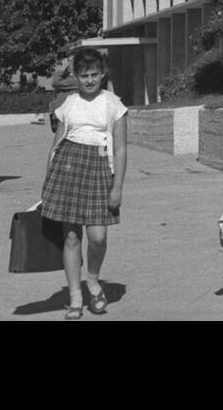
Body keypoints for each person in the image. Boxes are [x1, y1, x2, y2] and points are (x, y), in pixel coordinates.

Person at [40, 48, 128, 319]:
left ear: (102, 74)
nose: (89, 80)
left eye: (94, 75)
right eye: (83, 75)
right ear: (76, 77)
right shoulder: (67, 105)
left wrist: (118, 187)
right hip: (68, 169)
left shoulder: (114, 104)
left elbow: (122, 149)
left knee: (98, 237)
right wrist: (48, 181)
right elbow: (57, 144)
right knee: (71, 236)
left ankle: (92, 279)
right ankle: (75, 297)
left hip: (101, 170)